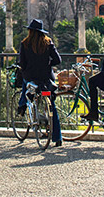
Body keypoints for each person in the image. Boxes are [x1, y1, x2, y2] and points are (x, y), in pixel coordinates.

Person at [17, 18, 63, 146]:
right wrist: (48, 64)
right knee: (52, 107)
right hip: (46, 79)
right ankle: (57, 137)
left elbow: (22, 64)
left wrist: (25, 68)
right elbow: (58, 60)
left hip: (31, 78)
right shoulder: (48, 43)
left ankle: (22, 105)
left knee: (25, 83)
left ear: (30, 31)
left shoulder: (25, 44)